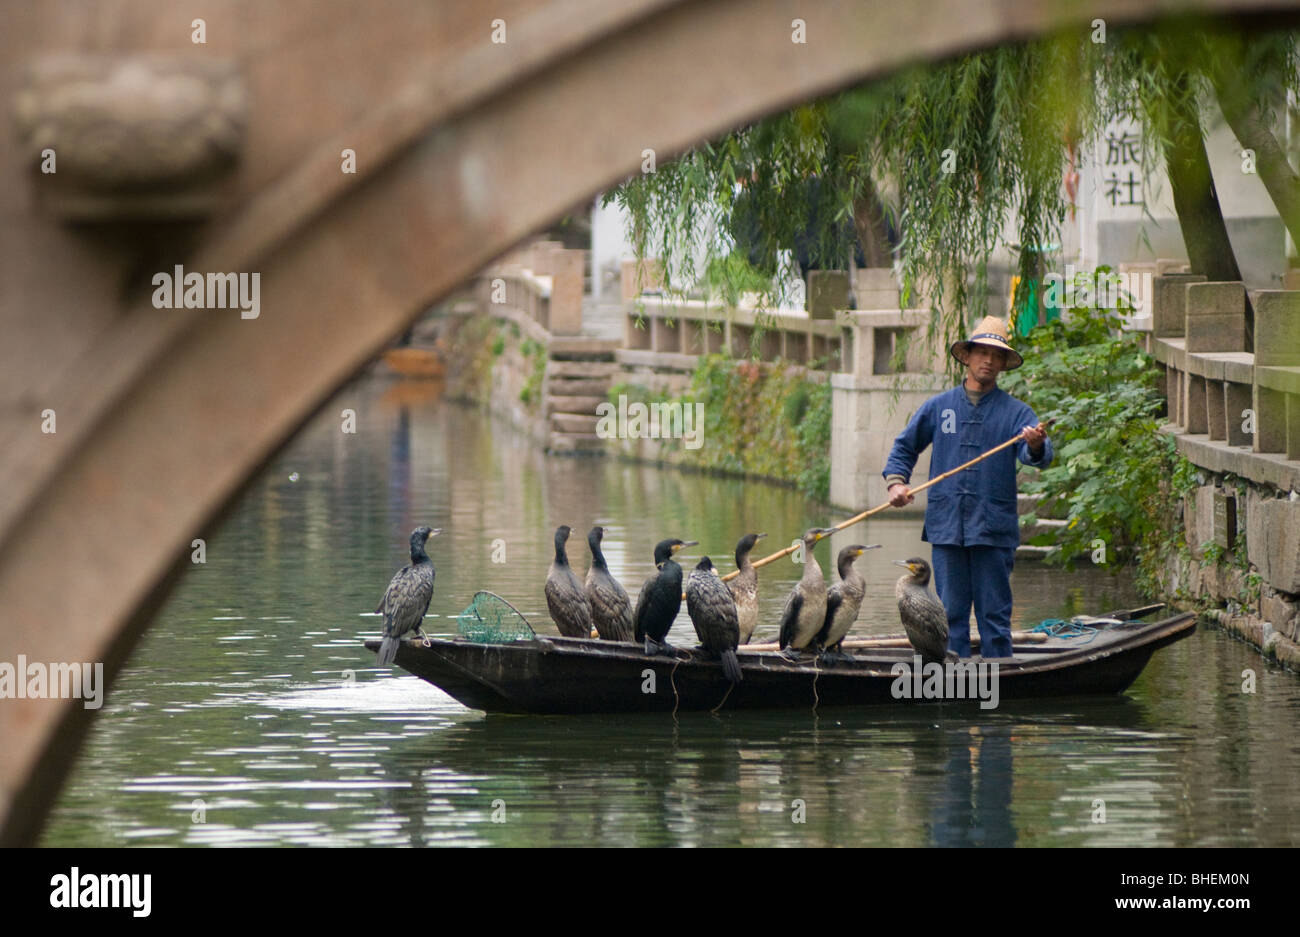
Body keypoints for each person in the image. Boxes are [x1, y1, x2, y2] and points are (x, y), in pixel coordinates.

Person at [881, 316, 1052, 658]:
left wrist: (1034, 444)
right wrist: (896, 484)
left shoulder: (1017, 413)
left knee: (994, 616)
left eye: (996, 355)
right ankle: (953, 684)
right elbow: (904, 448)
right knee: (949, 616)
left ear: (1003, 363)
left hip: (993, 529)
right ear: (967, 356)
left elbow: (1038, 456)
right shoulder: (939, 406)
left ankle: (999, 683)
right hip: (947, 528)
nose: (988, 360)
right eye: (981, 352)